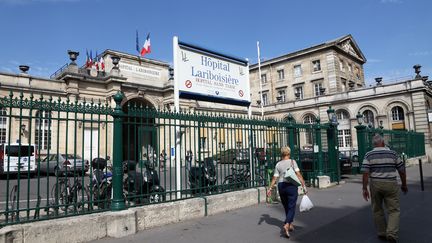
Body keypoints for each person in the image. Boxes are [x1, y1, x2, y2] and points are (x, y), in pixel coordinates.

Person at [361, 134, 407, 243]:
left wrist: (364, 188)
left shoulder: (369, 155)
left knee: (377, 209)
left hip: (375, 184)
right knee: (393, 210)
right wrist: (404, 184)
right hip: (391, 183)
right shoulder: (393, 153)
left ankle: (382, 232)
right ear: (382, 142)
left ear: (374, 144)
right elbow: (401, 170)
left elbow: (365, 173)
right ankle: (391, 233)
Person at [266, 146, 307, 238]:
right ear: (289, 153)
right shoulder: (293, 162)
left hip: (281, 186)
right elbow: (298, 175)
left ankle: (290, 225)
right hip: (291, 186)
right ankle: (287, 224)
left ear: (281, 153)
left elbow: (274, 178)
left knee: (286, 206)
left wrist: (269, 189)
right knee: (291, 206)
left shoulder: (278, 164)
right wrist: (304, 186)